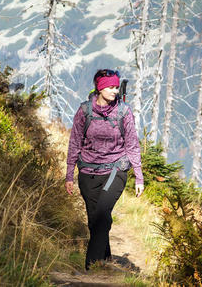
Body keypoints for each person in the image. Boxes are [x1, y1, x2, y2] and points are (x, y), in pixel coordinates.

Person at [65, 69, 144, 270]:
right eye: (111, 87)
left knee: (101, 213)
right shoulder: (84, 111)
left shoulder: (124, 112)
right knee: (94, 220)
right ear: (100, 88)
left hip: (115, 170)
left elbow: (133, 144)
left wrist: (139, 177)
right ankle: (105, 260)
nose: (115, 91)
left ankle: (91, 267)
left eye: (117, 87)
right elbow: (74, 142)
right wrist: (69, 175)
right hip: (88, 171)